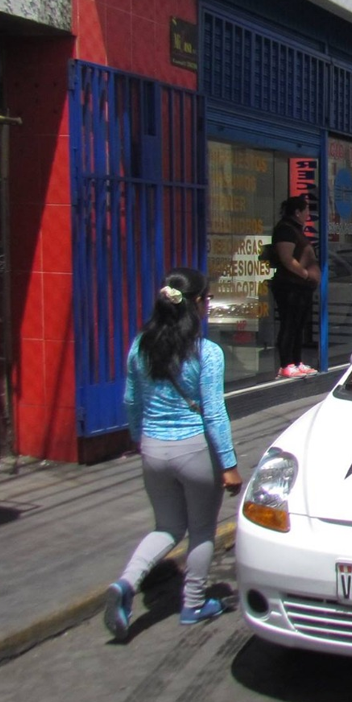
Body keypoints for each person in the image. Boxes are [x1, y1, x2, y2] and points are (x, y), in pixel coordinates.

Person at [105, 268, 243, 641]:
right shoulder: (207, 353)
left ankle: (126, 584)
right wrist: (229, 464)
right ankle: (193, 603)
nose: (208, 304)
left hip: (153, 447)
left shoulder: (141, 346)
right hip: (195, 449)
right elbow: (214, 413)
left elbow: (131, 400)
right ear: (197, 303)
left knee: (166, 527)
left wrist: (140, 439)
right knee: (201, 530)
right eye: (207, 298)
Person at [269, 196, 320, 379]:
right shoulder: (285, 230)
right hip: (290, 287)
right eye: (306, 210)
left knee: (299, 325)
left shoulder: (297, 230)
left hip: (301, 288)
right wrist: (305, 274)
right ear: (297, 212)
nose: (308, 214)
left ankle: (297, 361)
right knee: (289, 324)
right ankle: (286, 364)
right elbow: (286, 258)